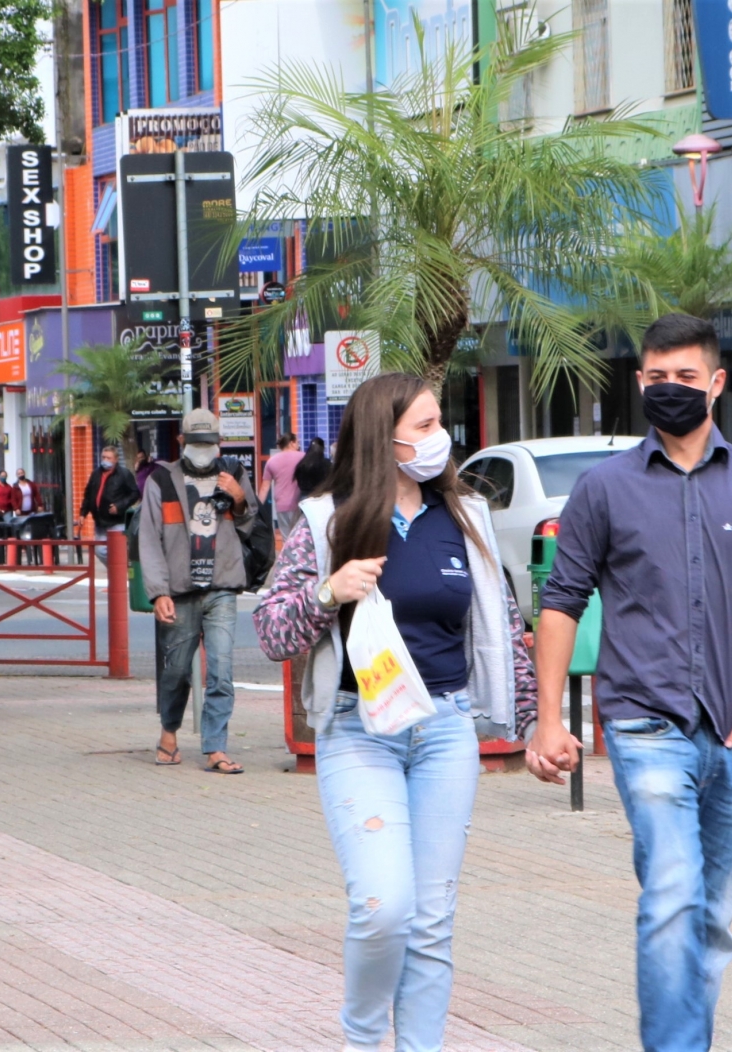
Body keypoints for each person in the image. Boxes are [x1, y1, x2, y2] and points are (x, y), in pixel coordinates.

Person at [528, 314, 732, 1052]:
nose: (671, 390)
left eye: (686, 378)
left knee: (710, 922)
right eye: (657, 378)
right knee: (670, 896)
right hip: (643, 724)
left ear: (717, 383)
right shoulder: (604, 490)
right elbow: (560, 601)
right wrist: (547, 719)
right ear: (639, 383)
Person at [253, 374, 537, 1052]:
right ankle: (360, 1040)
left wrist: (538, 725)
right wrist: (328, 591)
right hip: (360, 732)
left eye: (441, 423)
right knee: (385, 909)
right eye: (428, 423)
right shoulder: (327, 519)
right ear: (387, 437)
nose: (442, 438)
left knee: (432, 922)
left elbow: (502, 624)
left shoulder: (465, 515)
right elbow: (270, 632)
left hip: (445, 729)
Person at [138, 411, 255, 773]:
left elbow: (254, 525)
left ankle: (216, 747)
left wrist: (239, 499)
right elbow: (149, 539)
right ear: (182, 442)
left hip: (222, 586)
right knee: (175, 671)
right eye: (196, 443)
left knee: (221, 669)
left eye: (209, 443)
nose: (203, 450)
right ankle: (169, 732)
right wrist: (158, 592)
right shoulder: (161, 480)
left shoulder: (234, 474)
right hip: (180, 589)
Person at [79, 444, 139, 534]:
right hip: (99, 523)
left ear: (116, 459)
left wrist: (119, 506)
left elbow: (135, 494)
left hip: (116, 523)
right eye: (103, 457)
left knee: (115, 547)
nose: (105, 460)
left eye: (108, 458)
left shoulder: (124, 474)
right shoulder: (96, 474)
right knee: (100, 548)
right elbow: (88, 495)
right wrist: (83, 514)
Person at [260, 433, 305, 536]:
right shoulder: (303, 457)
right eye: (297, 442)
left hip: (281, 506)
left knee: (286, 539)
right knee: (300, 538)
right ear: (291, 443)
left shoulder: (271, 461)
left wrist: (258, 508)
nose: (298, 445)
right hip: (300, 505)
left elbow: (264, 488)